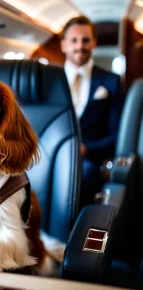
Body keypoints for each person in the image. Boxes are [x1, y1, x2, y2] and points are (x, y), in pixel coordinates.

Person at [60, 16, 124, 207]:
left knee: (85, 174)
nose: (80, 46)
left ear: (94, 43)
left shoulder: (111, 81)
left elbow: (117, 134)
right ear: (63, 45)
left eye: (85, 40)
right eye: (74, 40)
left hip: (91, 161)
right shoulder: (48, 80)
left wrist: (87, 149)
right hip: (54, 157)